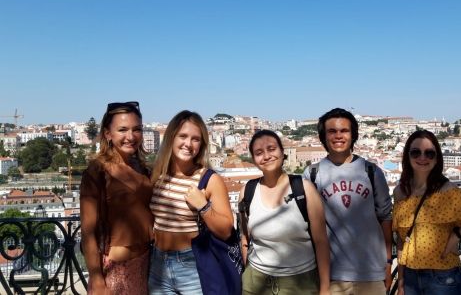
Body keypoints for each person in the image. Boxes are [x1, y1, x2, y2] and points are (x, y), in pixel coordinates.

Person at [393, 130, 461, 295]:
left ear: (437, 158)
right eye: (416, 152)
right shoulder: (400, 192)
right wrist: (401, 282)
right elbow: (402, 241)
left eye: (429, 153)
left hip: (443, 278)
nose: (422, 157)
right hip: (410, 279)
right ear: (407, 156)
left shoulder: (450, 192)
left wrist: (459, 234)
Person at [302, 107, 393, 295]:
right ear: (323, 136)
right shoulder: (312, 174)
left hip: (371, 273)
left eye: (344, 130)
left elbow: (385, 218)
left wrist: (388, 263)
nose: (338, 136)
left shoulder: (372, 171)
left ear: (353, 135)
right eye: (332, 131)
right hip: (331, 276)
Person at [149, 110, 234, 294]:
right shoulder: (157, 175)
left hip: (192, 265)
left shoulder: (209, 179)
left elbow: (226, 230)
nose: (188, 144)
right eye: (183, 136)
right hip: (157, 263)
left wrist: (203, 206)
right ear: (171, 137)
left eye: (195, 139)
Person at [240, 129, 330, 295]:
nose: (266, 156)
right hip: (255, 283)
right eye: (259, 153)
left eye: (272, 149)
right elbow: (245, 237)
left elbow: (321, 242)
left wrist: (324, 288)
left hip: (300, 283)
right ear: (253, 159)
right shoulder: (247, 191)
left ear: (283, 152)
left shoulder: (304, 189)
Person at [80, 101, 153, 294]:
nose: (131, 136)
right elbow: (88, 232)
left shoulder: (143, 169)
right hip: (114, 271)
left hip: (146, 266)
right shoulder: (97, 171)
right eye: (122, 130)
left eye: (137, 129)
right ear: (107, 134)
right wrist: (96, 279)